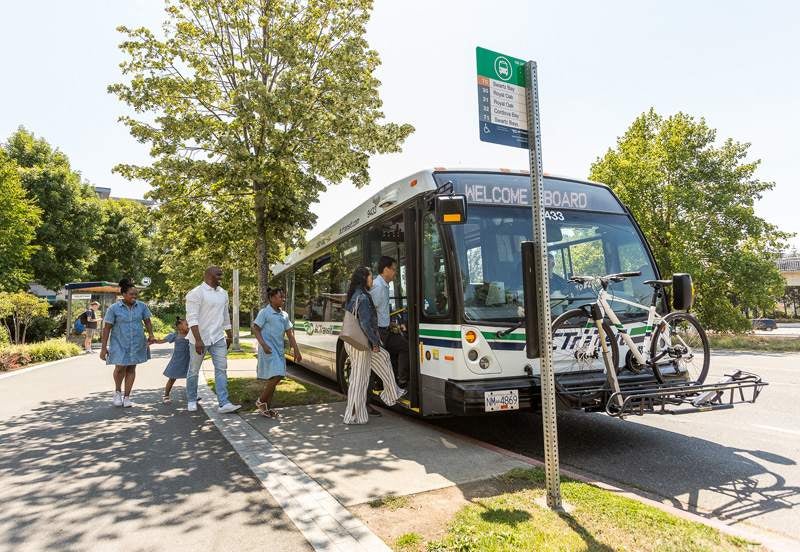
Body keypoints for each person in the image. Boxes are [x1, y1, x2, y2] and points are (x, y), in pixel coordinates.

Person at [342, 266, 405, 425]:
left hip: (355, 343)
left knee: (382, 358)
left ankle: (391, 393)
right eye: (370, 277)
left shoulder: (355, 295)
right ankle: (353, 415)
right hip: (362, 344)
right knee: (359, 379)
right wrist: (374, 342)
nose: (372, 279)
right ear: (364, 278)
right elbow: (365, 324)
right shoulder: (362, 297)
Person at [185, 266, 241, 413]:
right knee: (194, 370)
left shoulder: (223, 294)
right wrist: (198, 340)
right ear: (209, 275)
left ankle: (224, 403)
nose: (221, 277)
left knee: (221, 369)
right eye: (218, 275)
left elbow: (225, 315)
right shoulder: (195, 293)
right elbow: (192, 319)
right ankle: (191, 399)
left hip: (217, 338)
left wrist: (229, 334)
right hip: (199, 339)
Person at [100, 279, 155, 407]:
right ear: (123, 294)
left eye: (136, 294)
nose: (134, 297)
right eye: (131, 294)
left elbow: (147, 321)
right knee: (120, 368)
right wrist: (103, 348)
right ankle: (118, 392)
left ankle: (127, 397)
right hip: (119, 342)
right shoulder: (114, 308)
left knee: (131, 368)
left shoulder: (142, 306)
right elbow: (107, 328)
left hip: (136, 342)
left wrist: (151, 334)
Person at [252, 287, 302, 419]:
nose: (283, 299)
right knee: (277, 375)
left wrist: (296, 350)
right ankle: (261, 401)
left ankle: (266, 408)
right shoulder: (264, 313)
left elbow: (290, 334)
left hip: (279, 351)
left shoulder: (284, 315)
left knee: (273, 379)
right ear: (272, 298)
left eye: (283, 296)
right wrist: (263, 344)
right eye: (281, 297)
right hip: (268, 350)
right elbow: (255, 328)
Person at [370, 256, 409, 389]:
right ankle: (395, 383)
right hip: (379, 332)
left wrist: (392, 324)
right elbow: (370, 311)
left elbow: (381, 310)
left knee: (404, 347)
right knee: (382, 361)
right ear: (385, 269)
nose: (395, 272)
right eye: (393, 269)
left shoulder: (384, 286)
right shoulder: (378, 287)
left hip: (386, 329)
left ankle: (399, 381)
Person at [156, 317, 191, 403]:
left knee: (191, 378)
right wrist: (154, 341)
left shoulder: (191, 334)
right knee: (172, 378)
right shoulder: (175, 335)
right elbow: (162, 341)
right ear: (179, 326)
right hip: (177, 360)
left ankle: (193, 395)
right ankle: (166, 395)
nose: (188, 326)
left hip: (188, 360)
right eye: (186, 324)